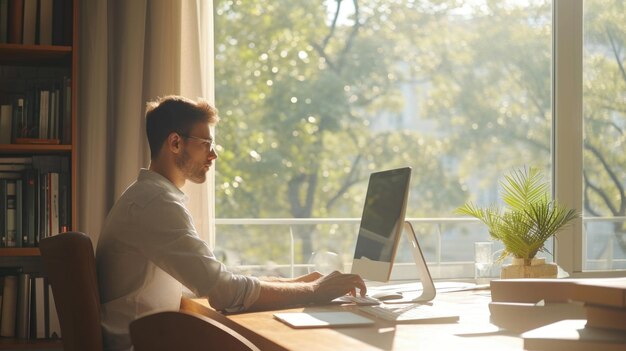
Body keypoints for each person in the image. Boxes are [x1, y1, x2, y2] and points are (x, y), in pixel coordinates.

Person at [96, 95, 366, 351]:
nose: (213, 155)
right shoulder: (157, 204)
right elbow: (223, 291)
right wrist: (313, 291)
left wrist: (295, 284)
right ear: (175, 143)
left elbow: (211, 277)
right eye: (206, 144)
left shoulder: (147, 197)